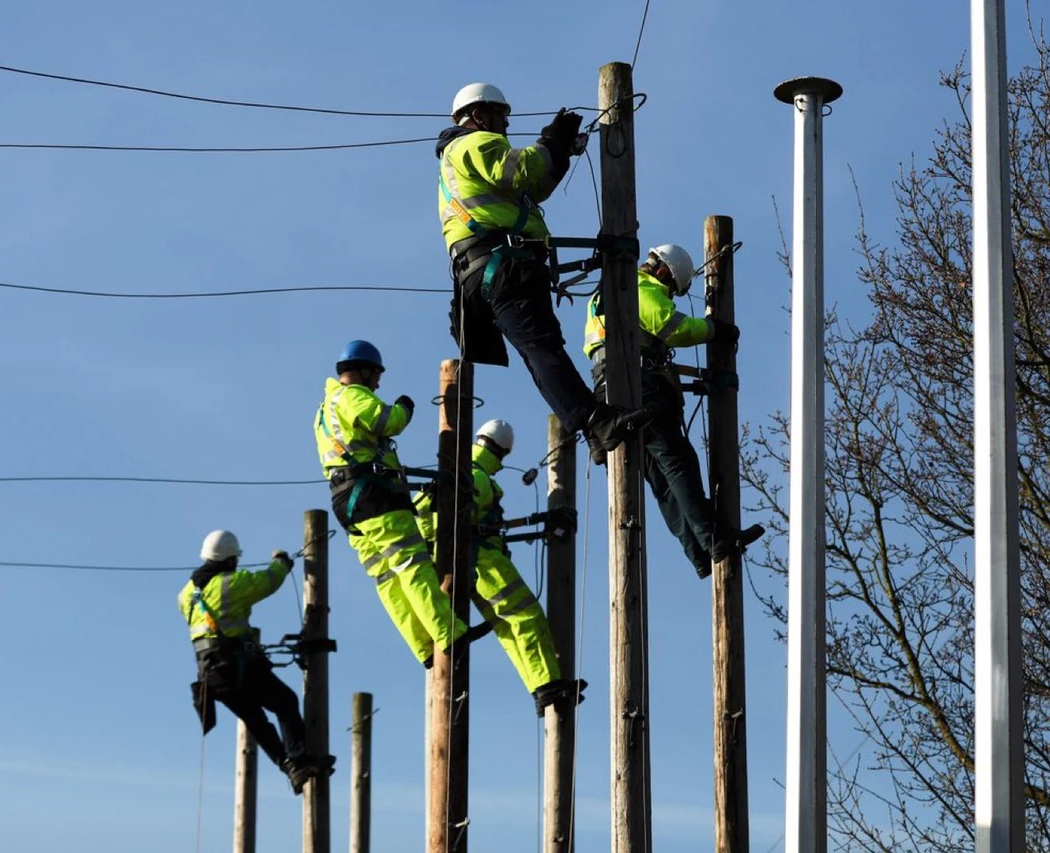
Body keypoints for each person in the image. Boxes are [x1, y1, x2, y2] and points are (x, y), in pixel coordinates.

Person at [436, 81, 649, 466]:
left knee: (538, 351)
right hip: (502, 263)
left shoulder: (465, 155)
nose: (505, 125)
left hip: (490, 268)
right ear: (479, 115)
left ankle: (591, 428)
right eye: (500, 116)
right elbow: (519, 170)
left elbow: (533, 188)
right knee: (542, 348)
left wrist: (559, 152)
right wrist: (551, 141)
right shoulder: (474, 143)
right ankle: (596, 421)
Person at [314, 340, 489, 668]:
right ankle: (449, 633)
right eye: (376, 376)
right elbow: (387, 421)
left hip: (346, 503)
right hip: (374, 495)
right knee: (411, 564)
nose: (378, 384)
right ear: (364, 371)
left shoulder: (324, 410)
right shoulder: (352, 396)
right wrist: (404, 407)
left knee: (386, 578)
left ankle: (423, 647)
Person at [584, 244, 751, 579]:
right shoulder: (638, 286)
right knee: (677, 464)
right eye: (672, 288)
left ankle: (699, 553)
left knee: (661, 479)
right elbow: (673, 328)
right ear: (663, 272)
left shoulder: (604, 291)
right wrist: (715, 329)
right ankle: (714, 538)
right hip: (639, 385)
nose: (670, 296)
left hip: (608, 387)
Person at [413, 419, 586, 716]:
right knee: (526, 616)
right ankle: (547, 684)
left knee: (507, 626)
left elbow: (432, 516)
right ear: (504, 453)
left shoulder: (459, 470)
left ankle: (541, 686)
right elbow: (458, 511)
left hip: (465, 562)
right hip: (483, 561)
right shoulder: (477, 476)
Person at [179, 529, 331, 794]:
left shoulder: (186, 594)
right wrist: (281, 562)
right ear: (230, 559)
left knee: (257, 721)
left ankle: (290, 767)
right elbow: (268, 581)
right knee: (285, 702)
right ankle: (298, 760)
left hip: (211, 677)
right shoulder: (230, 584)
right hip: (237, 666)